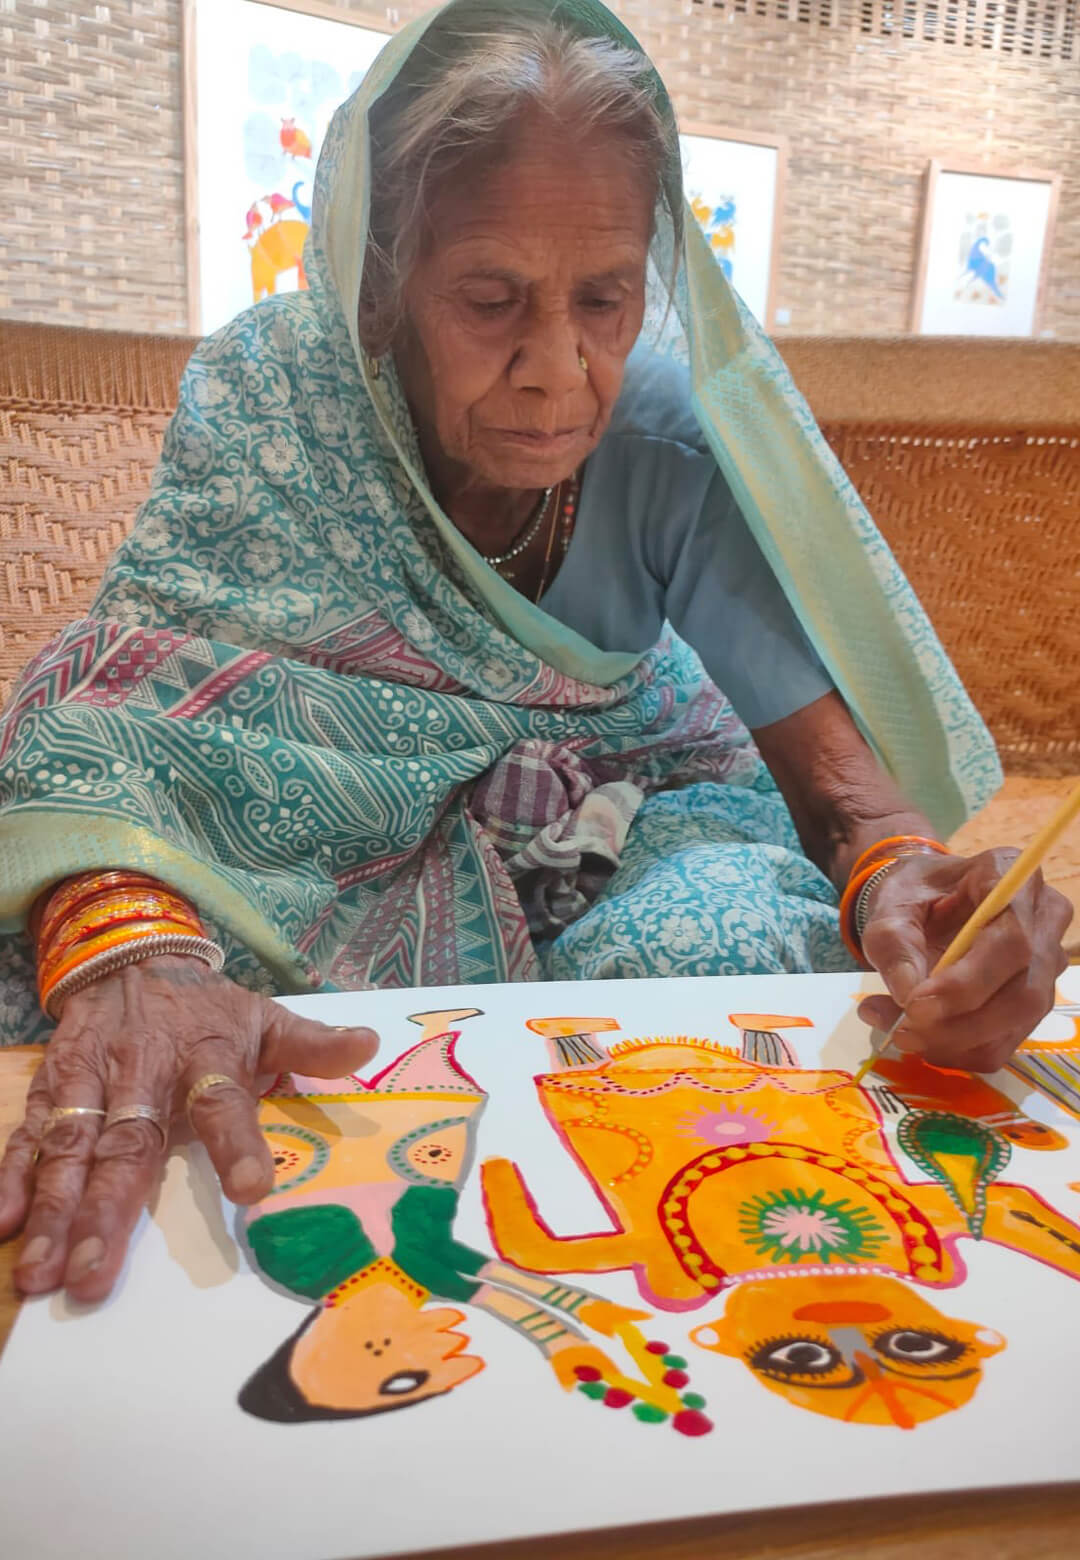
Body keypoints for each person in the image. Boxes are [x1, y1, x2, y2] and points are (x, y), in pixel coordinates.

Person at [0, 0, 1070, 1307]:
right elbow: (109, 715)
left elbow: (846, 804)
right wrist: (142, 956)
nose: (561, 371)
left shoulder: (665, 440)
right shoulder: (283, 396)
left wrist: (919, 902)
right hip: (335, 853)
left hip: (622, 816)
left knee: (743, 965)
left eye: (607, 297)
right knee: (175, 1016)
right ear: (382, 286)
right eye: (493, 298)